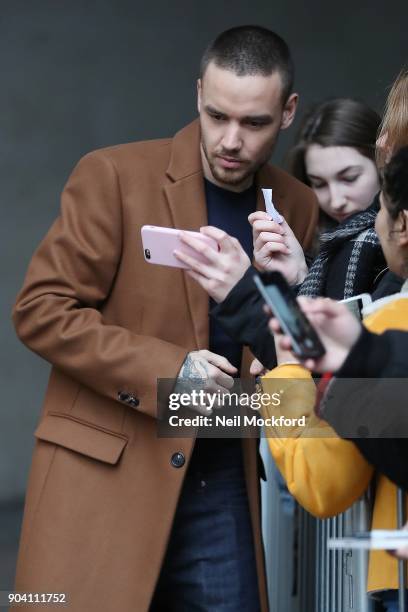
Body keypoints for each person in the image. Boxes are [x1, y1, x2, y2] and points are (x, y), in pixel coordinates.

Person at [11, 26, 318, 612]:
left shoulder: (297, 205)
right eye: (216, 115)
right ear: (198, 93)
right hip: (109, 467)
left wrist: (289, 292)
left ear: (287, 113)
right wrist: (169, 368)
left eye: (254, 123)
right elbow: (40, 310)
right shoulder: (115, 175)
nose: (231, 140)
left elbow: (299, 362)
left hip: (225, 468)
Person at [263, 146, 408, 612]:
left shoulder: (394, 317)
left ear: (401, 224)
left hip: (396, 577)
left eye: (377, 208)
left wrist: (288, 371)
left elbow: (323, 484)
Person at [175, 97, 384, 370]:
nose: (336, 199)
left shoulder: (385, 245)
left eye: (349, 178)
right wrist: (299, 275)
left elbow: (339, 366)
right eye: (319, 183)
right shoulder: (319, 243)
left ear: (383, 162)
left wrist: (243, 291)